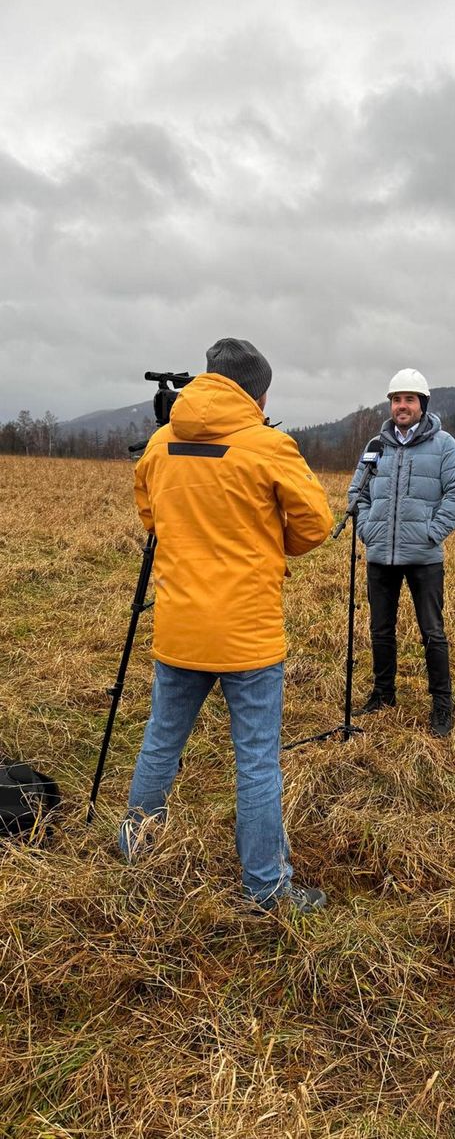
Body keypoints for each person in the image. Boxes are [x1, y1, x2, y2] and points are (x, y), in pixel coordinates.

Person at [119, 338, 333, 913]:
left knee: (161, 743)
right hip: (249, 634)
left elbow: (151, 514)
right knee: (257, 761)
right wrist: (268, 542)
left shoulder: (163, 443)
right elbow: (316, 524)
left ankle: (136, 854)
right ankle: (266, 888)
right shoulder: (269, 445)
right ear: (255, 391)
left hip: (180, 625)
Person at [348, 368, 455, 736]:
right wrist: (369, 530)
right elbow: (358, 494)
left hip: (424, 559)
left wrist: (431, 533)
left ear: (422, 405)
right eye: (396, 400)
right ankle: (383, 694)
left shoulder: (444, 445)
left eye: (409, 399)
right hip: (380, 557)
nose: (402, 406)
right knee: (380, 630)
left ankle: (441, 706)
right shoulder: (376, 446)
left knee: (432, 632)